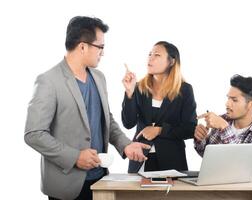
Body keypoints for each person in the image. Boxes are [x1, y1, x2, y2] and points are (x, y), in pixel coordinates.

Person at [24, 16, 150, 200]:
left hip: (100, 180)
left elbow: (107, 119)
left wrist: (126, 145)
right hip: (66, 186)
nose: (103, 53)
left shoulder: (99, 77)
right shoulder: (48, 81)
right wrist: (75, 157)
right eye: (101, 47)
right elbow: (34, 134)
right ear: (83, 46)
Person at [122, 41, 197, 173]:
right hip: (140, 158)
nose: (150, 58)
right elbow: (128, 123)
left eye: (157, 55)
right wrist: (129, 93)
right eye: (150, 54)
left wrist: (159, 130)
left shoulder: (184, 90)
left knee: (169, 194)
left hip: (172, 159)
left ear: (171, 62)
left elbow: (190, 129)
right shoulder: (139, 87)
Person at [194, 74, 252, 180]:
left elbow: (242, 169)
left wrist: (224, 127)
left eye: (234, 100)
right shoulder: (223, 119)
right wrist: (201, 139)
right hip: (211, 183)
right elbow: (208, 158)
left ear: (251, 105)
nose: (227, 104)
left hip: (241, 191)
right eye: (228, 98)